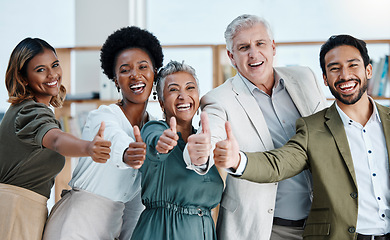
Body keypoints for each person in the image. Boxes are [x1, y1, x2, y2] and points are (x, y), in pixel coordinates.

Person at [214, 34, 390, 240]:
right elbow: (277, 164)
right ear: (325, 79)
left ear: (368, 70)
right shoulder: (313, 129)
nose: (345, 75)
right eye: (334, 68)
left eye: (353, 65)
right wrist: (238, 161)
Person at [185, 14, 327, 240]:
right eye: (243, 47)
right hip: (262, 229)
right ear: (231, 56)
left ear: (273, 47)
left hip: (319, 223)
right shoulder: (219, 99)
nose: (253, 53)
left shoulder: (305, 77)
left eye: (260, 43)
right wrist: (201, 154)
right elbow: (209, 136)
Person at [42, 26, 164, 240]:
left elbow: (135, 202)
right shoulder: (103, 116)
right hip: (76, 223)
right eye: (125, 70)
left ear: (154, 73)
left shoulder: (153, 128)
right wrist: (128, 154)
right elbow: (115, 140)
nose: (135, 75)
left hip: (113, 226)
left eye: (143, 67)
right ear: (115, 80)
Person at [0, 37, 111, 240]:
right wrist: (88, 148)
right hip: (16, 211)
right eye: (40, 69)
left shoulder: (25, 109)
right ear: (23, 78)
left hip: (21, 209)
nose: (52, 75)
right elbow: (56, 140)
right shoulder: (30, 112)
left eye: (55, 65)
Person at [130, 60, 224, 240]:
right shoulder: (154, 128)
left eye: (190, 88)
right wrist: (162, 144)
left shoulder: (204, 142)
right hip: (161, 232)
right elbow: (154, 142)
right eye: (173, 89)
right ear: (162, 103)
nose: (183, 95)